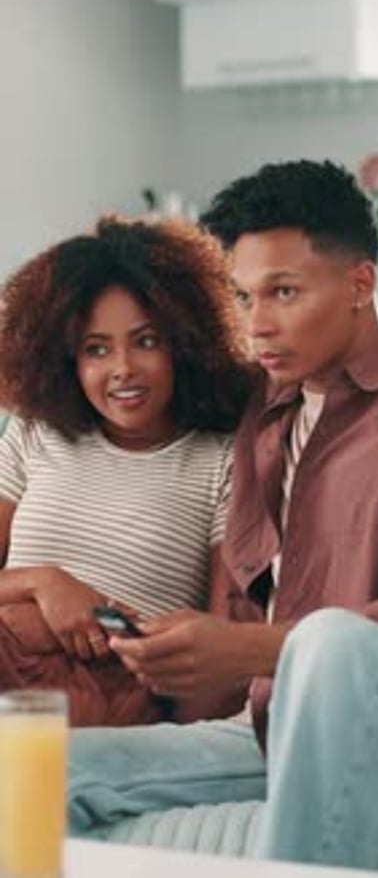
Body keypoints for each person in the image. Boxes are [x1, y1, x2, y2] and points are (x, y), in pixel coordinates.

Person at [68, 159, 378, 871]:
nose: (257, 325)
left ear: (360, 284)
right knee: (30, 759)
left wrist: (254, 649)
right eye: (243, 298)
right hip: (273, 724)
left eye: (284, 292)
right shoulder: (268, 416)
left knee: (333, 646)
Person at [0, 215, 252, 726]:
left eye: (146, 341)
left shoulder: (222, 458)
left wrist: (178, 750)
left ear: (185, 343)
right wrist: (44, 584)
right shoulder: (36, 433)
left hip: (112, 693)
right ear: (67, 359)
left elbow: (221, 642)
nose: (123, 369)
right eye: (97, 349)